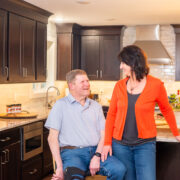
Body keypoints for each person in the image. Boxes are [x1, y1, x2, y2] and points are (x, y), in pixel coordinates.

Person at [101, 45, 180, 180]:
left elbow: (166, 110)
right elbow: (111, 115)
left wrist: (176, 132)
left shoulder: (156, 85)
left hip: (145, 145)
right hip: (120, 145)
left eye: (123, 63)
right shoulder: (119, 86)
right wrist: (107, 142)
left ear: (133, 62)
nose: (120, 67)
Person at [45, 69, 126, 180]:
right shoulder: (60, 105)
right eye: (82, 82)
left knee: (119, 169)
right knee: (74, 177)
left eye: (87, 81)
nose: (87, 84)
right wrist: (59, 167)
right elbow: (52, 138)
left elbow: (104, 135)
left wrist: (97, 156)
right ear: (71, 86)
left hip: (95, 151)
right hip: (72, 154)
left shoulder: (96, 106)